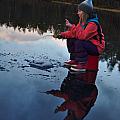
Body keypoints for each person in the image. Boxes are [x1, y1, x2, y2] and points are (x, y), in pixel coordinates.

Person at [56, 0, 105, 72]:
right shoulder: (82, 22)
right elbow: (75, 33)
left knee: (80, 42)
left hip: (97, 47)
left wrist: (71, 27)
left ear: (84, 13)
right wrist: (62, 35)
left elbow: (82, 36)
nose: (77, 13)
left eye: (79, 11)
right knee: (71, 39)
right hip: (89, 43)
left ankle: (82, 64)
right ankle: (74, 60)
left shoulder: (93, 24)